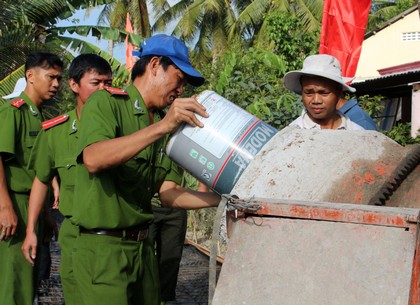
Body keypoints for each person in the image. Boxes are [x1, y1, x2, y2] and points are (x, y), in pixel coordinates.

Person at [71, 34, 221, 305]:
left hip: (143, 251)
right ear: (154, 66)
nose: (180, 90)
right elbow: (93, 158)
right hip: (104, 251)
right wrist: (162, 128)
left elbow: (168, 194)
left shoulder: (165, 124)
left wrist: (221, 201)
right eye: (178, 79)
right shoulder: (107, 104)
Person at [21, 54, 113, 305]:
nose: (103, 90)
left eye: (108, 84)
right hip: (74, 237)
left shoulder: (120, 131)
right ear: (74, 85)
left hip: (113, 240)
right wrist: (31, 231)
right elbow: (41, 180)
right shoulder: (56, 132)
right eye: (96, 83)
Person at [0, 52, 63, 305]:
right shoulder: (12, 112)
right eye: (51, 77)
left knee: (27, 282)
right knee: (12, 284)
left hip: (32, 208)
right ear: (30, 76)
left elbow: (39, 172)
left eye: (59, 78)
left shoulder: (40, 117)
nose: (56, 84)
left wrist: (45, 215)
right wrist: (4, 205)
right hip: (14, 205)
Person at [148, 174, 209, 304]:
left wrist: (202, 186)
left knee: (171, 256)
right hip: (148, 206)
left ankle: (166, 298)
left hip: (176, 205)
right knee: (144, 254)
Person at [283, 54, 365, 130]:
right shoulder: (291, 135)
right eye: (309, 92)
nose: (316, 100)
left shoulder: (357, 133)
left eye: (324, 93)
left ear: (339, 92)